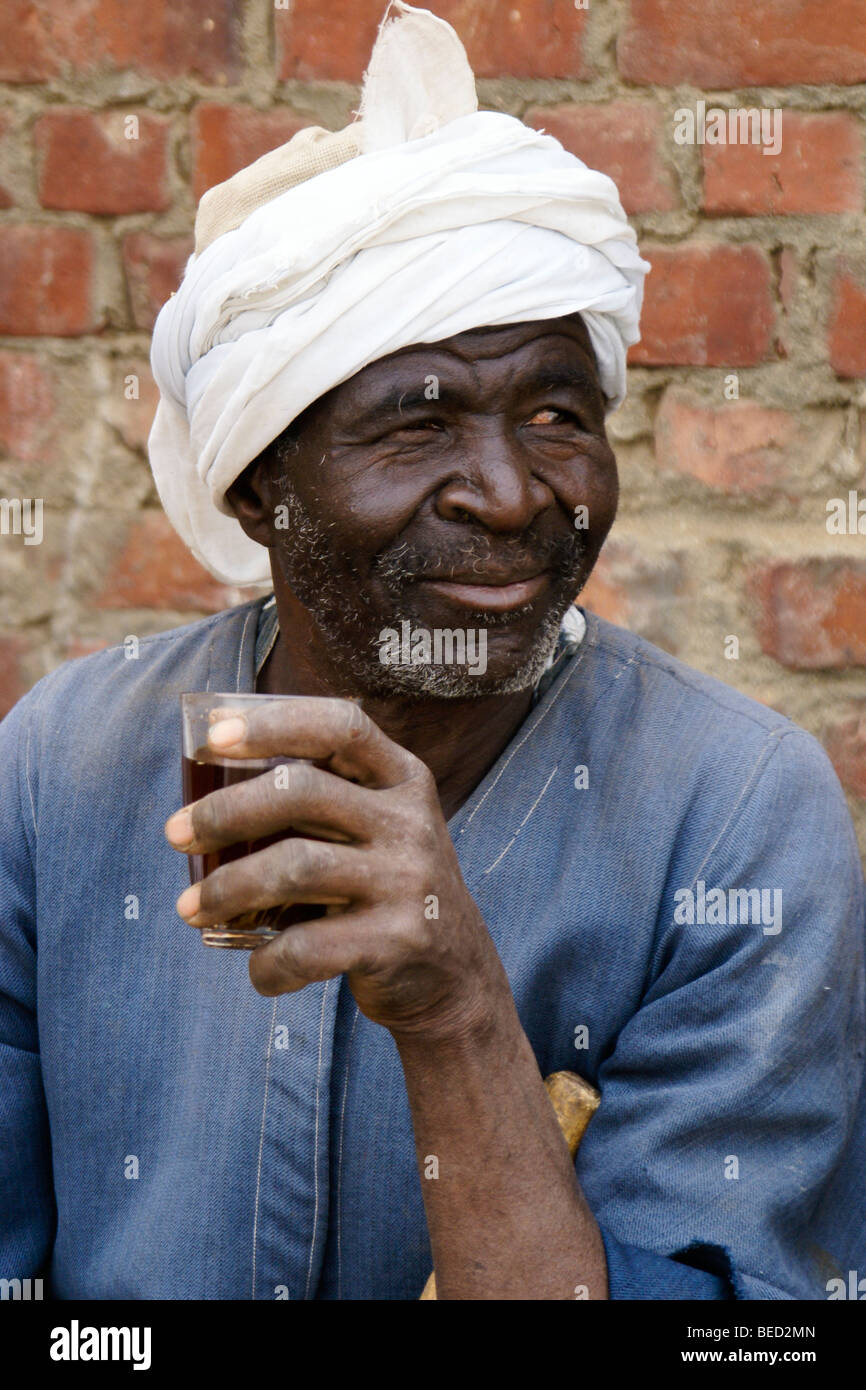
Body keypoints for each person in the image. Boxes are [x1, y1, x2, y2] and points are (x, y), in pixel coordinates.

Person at [1, 2, 863, 1301]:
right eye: (416, 426)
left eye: (556, 413)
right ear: (258, 489)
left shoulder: (732, 815)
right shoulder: (60, 767)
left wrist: (460, 1011)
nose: (511, 493)